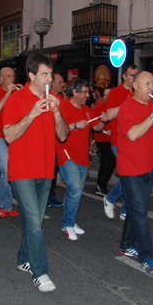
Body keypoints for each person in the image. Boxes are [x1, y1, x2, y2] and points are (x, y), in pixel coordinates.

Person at [3, 53, 69, 293]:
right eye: (45, 74)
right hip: (22, 172)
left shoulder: (55, 100)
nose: (50, 79)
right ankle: (40, 273)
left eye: (51, 74)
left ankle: (24, 258)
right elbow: (8, 135)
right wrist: (31, 113)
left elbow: (63, 135)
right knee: (33, 223)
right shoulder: (16, 99)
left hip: (46, 170)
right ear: (31, 75)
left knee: (35, 222)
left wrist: (57, 112)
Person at [117, 71, 153, 273]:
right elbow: (132, 134)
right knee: (140, 212)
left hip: (150, 166)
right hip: (131, 168)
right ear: (135, 86)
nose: (152, 88)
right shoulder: (127, 107)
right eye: (147, 83)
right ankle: (146, 255)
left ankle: (126, 244)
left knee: (136, 209)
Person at [56, 78, 107, 240]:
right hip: (67, 155)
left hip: (82, 157)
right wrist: (76, 125)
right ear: (75, 92)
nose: (88, 95)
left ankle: (68, 221)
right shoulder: (63, 108)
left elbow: (97, 127)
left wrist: (104, 119)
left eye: (88, 92)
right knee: (76, 189)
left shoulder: (86, 109)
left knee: (75, 191)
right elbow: (58, 131)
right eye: (84, 92)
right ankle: (69, 224)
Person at [103, 64, 139, 220]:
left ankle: (125, 208)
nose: (135, 78)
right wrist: (130, 102)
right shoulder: (115, 92)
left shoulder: (138, 92)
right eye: (132, 75)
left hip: (135, 139)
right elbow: (110, 114)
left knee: (131, 175)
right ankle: (111, 199)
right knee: (128, 175)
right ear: (124, 76)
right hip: (119, 140)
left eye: (137, 75)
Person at [0, 67, 23, 217]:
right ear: (1, 79)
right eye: (8, 76)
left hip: (13, 135)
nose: (12, 79)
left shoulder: (17, 92)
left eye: (13, 76)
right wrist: (7, 94)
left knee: (9, 171)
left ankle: (7, 205)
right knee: (7, 171)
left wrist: (23, 94)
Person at [46, 72, 67, 207]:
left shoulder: (60, 99)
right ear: (52, 83)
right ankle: (46, 197)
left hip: (58, 142)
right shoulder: (45, 98)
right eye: (60, 82)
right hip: (47, 143)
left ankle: (50, 195)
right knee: (48, 172)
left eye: (63, 82)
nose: (62, 84)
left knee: (53, 171)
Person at [92, 87, 115, 196]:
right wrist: (105, 131)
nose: (106, 97)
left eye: (109, 95)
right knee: (110, 159)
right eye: (105, 95)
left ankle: (100, 185)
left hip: (113, 139)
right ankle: (101, 185)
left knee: (106, 161)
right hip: (102, 138)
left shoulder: (115, 108)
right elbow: (93, 125)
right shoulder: (98, 108)